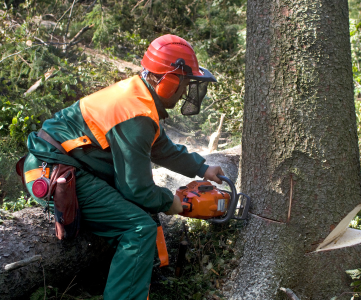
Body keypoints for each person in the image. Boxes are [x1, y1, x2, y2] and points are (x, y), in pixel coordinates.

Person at [21, 34, 224, 300]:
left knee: (139, 216)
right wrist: (170, 202)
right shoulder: (137, 115)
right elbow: (137, 189)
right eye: (185, 83)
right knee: (138, 229)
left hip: (66, 165)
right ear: (169, 80)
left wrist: (203, 168)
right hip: (56, 172)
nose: (186, 91)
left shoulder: (138, 98)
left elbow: (162, 149)